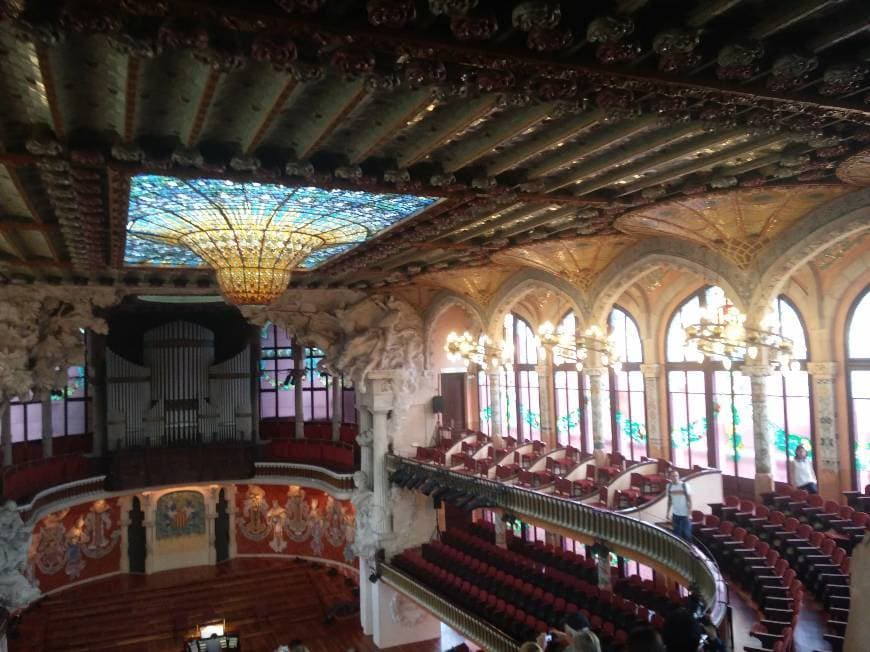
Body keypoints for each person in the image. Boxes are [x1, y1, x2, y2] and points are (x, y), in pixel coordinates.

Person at [665, 468, 693, 542]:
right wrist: (667, 512)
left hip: (685, 515)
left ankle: (690, 551)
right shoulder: (669, 486)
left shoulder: (685, 485)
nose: (675, 477)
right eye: (673, 476)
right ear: (670, 477)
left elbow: (689, 501)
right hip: (675, 514)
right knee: (677, 534)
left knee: (686, 534)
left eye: (676, 476)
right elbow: (669, 500)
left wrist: (689, 514)